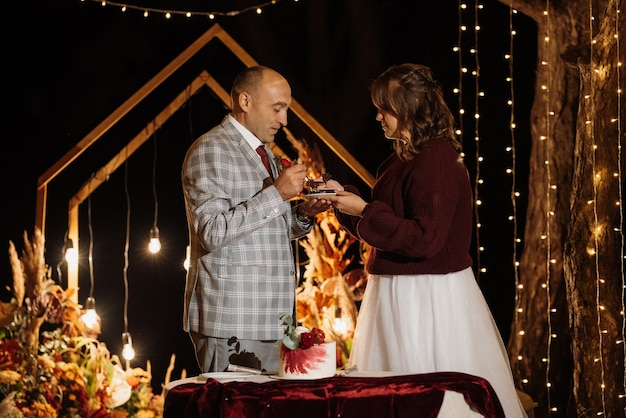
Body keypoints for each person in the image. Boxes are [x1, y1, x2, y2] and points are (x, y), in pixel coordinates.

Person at [327, 63, 528, 417]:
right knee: (393, 392)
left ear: (407, 109)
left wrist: (364, 210)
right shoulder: (404, 158)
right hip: (397, 293)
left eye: (384, 108)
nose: (378, 117)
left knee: (429, 393)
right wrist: (343, 199)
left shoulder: (435, 160)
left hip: (424, 297)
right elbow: (387, 222)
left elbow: (424, 240)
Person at [181, 65, 332, 373]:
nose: (284, 120)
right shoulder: (211, 150)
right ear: (245, 102)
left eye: (286, 109)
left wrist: (303, 212)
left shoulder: (266, 154)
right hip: (233, 321)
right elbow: (211, 231)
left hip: (273, 321)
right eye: (277, 109)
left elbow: (264, 228)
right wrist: (277, 193)